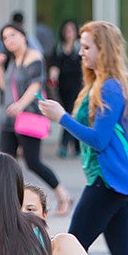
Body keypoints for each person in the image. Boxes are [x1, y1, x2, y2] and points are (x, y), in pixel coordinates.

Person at [37, 20, 128, 255]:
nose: (80, 52)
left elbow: (99, 140)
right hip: (117, 183)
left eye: (87, 47)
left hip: (107, 182)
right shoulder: (102, 84)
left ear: (104, 49)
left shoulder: (110, 87)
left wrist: (62, 117)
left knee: (69, 250)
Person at [0, 23, 74, 217]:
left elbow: (35, 86)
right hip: (9, 120)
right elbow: (5, 87)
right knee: (5, 162)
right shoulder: (12, 61)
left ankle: (63, 195)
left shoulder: (35, 58)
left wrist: (21, 105)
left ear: (23, 36)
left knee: (33, 162)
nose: (9, 40)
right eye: (5, 38)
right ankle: (7, 204)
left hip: (27, 117)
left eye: (13, 35)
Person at [48, 20, 84, 159]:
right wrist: (53, 73)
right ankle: (77, 146)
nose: (69, 33)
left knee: (68, 113)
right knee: (73, 114)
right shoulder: (59, 48)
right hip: (63, 86)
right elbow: (54, 63)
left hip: (77, 85)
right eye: (67, 30)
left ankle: (63, 145)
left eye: (72, 30)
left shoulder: (79, 48)